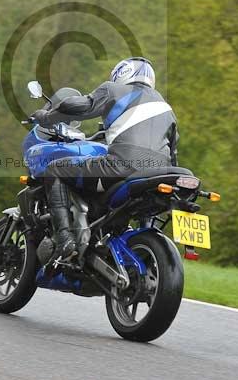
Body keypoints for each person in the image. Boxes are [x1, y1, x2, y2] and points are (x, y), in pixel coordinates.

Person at [32, 57, 179, 260]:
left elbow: (81, 106)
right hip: (158, 173)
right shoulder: (166, 108)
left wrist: (46, 117)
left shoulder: (113, 90)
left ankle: (65, 240)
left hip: (122, 167)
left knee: (54, 169)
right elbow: (173, 154)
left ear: (122, 74)